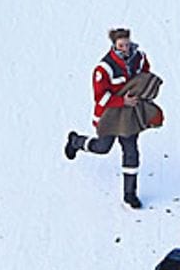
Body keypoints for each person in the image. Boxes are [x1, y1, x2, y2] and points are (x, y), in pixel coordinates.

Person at [64, 28, 162, 209]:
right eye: (121, 45)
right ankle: (76, 141)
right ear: (114, 45)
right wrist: (121, 100)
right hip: (109, 117)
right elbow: (100, 97)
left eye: (127, 44)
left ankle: (129, 194)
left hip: (129, 118)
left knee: (131, 152)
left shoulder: (138, 58)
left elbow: (145, 75)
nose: (125, 48)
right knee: (103, 147)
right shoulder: (104, 68)